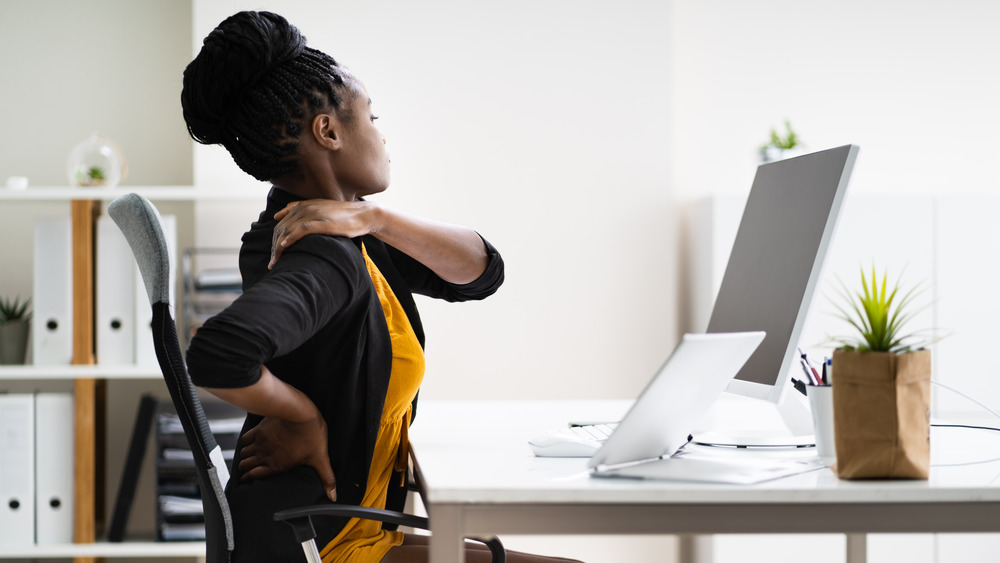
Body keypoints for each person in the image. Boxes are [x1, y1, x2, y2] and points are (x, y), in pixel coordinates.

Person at [181, 11, 582, 563]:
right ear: (329, 131)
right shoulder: (322, 253)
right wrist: (302, 414)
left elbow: (481, 273)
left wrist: (377, 220)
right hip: (318, 542)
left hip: (338, 525)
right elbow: (218, 352)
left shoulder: (340, 231)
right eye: (371, 115)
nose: (382, 133)